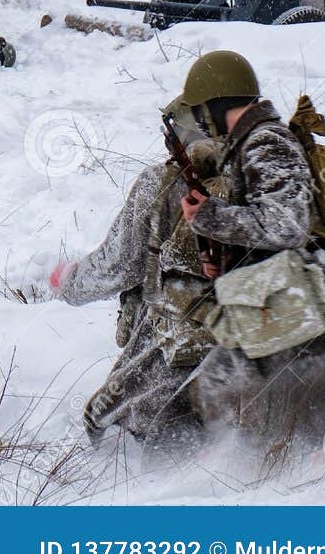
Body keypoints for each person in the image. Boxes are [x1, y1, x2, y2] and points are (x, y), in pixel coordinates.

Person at [167, 51, 325, 446]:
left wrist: (211, 217)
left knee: (323, 430)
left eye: (201, 110)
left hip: (306, 303)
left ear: (216, 103)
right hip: (286, 300)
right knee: (287, 421)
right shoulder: (250, 142)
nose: (200, 122)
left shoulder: (266, 142)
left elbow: (286, 225)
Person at [48, 111, 218, 448]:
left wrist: (69, 282)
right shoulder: (271, 171)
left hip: (176, 348)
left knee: (105, 422)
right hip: (256, 334)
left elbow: (119, 264)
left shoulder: (162, 184)